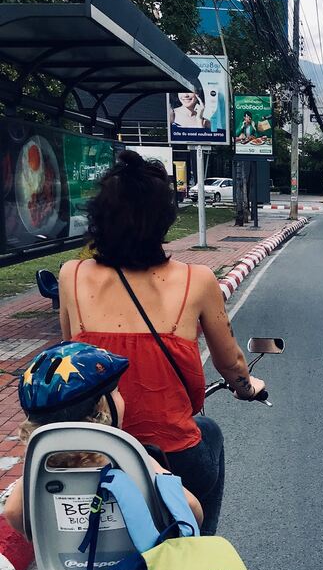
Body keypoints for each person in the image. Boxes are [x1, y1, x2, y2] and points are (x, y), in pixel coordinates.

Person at [57, 150, 264, 535]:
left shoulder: (71, 275)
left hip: (96, 455)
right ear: (165, 219)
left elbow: (72, 358)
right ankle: (198, 550)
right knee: (211, 433)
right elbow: (232, 364)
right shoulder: (196, 280)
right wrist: (247, 386)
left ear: (99, 216)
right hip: (172, 456)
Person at [2, 342, 203, 534]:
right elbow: (191, 509)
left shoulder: (42, 468)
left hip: (68, 568)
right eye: (117, 392)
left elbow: (13, 512)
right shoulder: (132, 461)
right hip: (139, 567)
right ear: (102, 410)